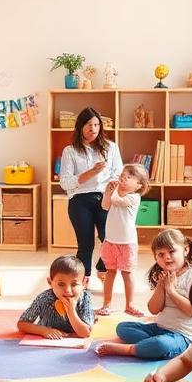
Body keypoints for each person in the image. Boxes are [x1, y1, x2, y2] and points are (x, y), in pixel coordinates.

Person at [96, 229, 192, 357]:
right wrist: (160, 285)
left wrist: (171, 290)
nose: (167, 257)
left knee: (161, 345)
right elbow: (153, 309)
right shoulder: (164, 275)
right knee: (123, 327)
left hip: (182, 335)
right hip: (159, 329)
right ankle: (148, 345)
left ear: (185, 250)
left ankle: (130, 349)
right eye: (161, 254)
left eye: (172, 252)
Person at [59, 106, 123, 286]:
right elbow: (65, 182)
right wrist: (91, 172)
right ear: (80, 127)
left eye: (96, 125)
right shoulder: (70, 151)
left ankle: (103, 268)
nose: (93, 129)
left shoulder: (111, 147)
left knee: (109, 240)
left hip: (105, 197)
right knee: (85, 245)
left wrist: (112, 186)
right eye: (89, 125)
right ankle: (82, 283)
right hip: (80, 200)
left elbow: (118, 173)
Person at [97, 163, 150, 316]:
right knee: (109, 273)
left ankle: (130, 304)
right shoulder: (116, 195)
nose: (123, 179)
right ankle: (106, 304)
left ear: (139, 185)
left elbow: (117, 201)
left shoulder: (134, 197)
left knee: (127, 274)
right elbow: (105, 205)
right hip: (110, 241)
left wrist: (113, 191)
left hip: (127, 244)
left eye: (129, 177)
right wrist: (107, 193)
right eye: (122, 176)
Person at [17, 255, 94, 339]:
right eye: (61, 284)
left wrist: (71, 311)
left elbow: (86, 333)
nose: (68, 290)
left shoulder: (85, 298)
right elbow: (22, 324)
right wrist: (45, 331)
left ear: (84, 283)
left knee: (89, 320)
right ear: (50, 282)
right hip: (47, 343)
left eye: (74, 284)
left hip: (73, 344)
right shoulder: (44, 298)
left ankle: (93, 317)